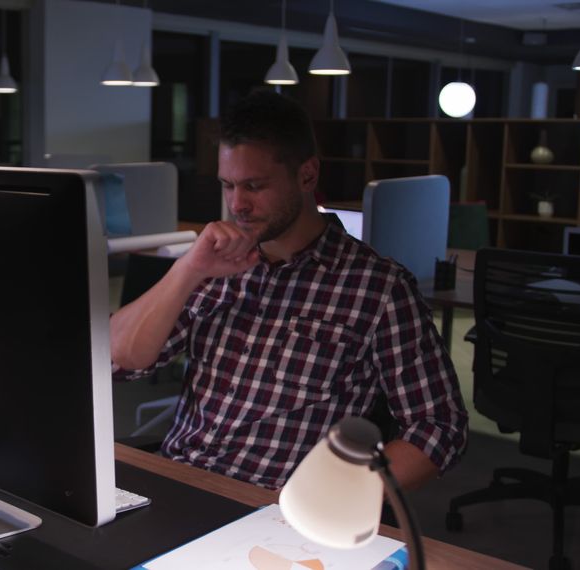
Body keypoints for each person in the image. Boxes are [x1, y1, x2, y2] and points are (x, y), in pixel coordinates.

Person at [111, 91, 467, 491]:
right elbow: (120, 363)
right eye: (228, 185)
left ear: (307, 176)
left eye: (254, 186)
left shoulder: (377, 287)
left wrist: (332, 499)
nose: (237, 204)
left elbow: (439, 426)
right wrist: (187, 269)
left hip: (272, 506)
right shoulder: (214, 267)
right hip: (181, 479)